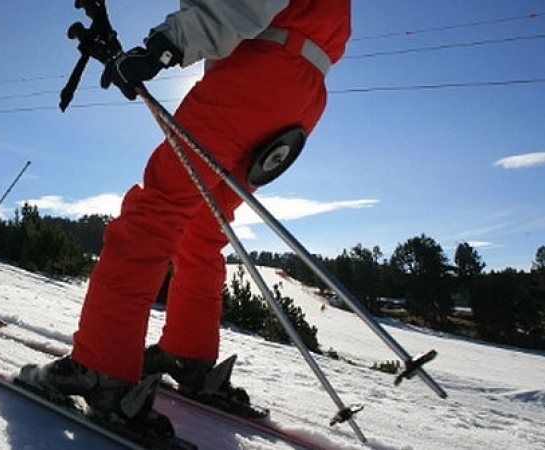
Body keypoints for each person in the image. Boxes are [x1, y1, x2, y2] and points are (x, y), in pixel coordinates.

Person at [19, 0, 351, 429]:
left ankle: (101, 368)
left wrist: (164, 45)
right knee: (204, 225)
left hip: (257, 72)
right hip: (303, 91)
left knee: (156, 210)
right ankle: (187, 353)